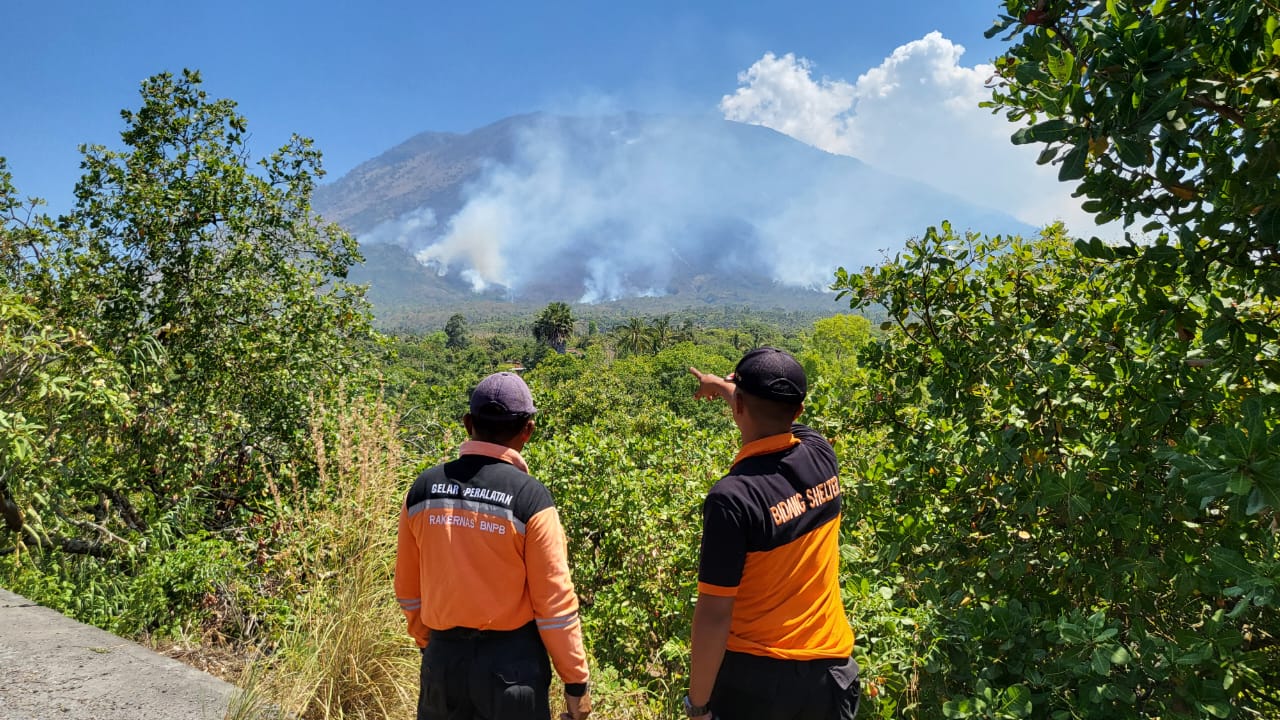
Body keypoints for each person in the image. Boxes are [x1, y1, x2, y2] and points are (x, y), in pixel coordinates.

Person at [395, 371, 591, 720]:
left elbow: (408, 592)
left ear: (468, 423)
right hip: (512, 672)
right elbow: (554, 605)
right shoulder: (530, 499)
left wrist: (435, 645)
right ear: (527, 430)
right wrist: (576, 684)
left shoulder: (422, 490)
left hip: (442, 665)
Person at [683, 348, 861, 720]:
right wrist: (723, 387)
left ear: (740, 407)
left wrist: (697, 705)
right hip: (830, 676)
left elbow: (715, 614)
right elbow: (772, 414)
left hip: (756, 685)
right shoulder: (820, 453)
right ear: (798, 411)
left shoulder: (732, 498)